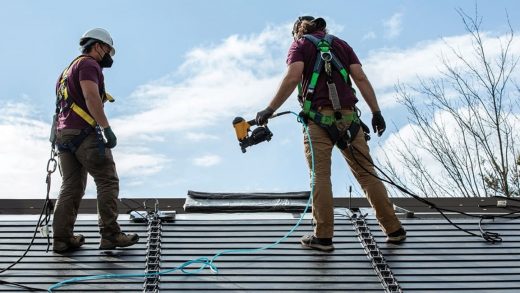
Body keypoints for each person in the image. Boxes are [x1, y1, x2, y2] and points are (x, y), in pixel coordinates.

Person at [256, 16, 406, 252]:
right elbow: (361, 78)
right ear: (322, 28)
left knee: (320, 176)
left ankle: (323, 237)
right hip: (350, 120)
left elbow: (293, 76)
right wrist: (376, 112)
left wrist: (269, 109)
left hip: (318, 120)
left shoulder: (300, 45)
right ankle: (394, 230)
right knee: (367, 175)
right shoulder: (342, 45)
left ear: (298, 31)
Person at [51, 28, 139, 252]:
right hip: (84, 134)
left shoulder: (65, 72)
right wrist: (106, 128)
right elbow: (91, 96)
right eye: (107, 49)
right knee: (107, 179)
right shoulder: (89, 65)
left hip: (64, 137)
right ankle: (110, 235)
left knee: (71, 186)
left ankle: (61, 239)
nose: (108, 54)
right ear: (98, 45)